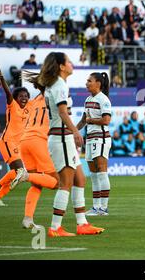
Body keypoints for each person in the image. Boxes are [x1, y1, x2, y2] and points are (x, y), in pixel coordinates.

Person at [28, 52, 105, 236]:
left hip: (63, 137)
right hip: (61, 137)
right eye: (69, 61)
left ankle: (82, 224)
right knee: (66, 183)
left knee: (80, 179)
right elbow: (63, 113)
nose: (72, 64)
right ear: (62, 66)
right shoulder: (59, 85)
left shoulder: (55, 84)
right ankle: (55, 227)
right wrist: (76, 132)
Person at [0, 68, 56, 208]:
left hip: (19, 144)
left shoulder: (30, 106)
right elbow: (8, 94)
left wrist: (42, 81)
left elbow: (41, 95)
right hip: (8, 141)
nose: (24, 98)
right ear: (16, 98)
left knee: (17, 173)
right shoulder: (12, 106)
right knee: (20, 172)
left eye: (26, 95)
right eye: (21, 96)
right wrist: (2, 80)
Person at [17, 78, 60, 228]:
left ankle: (27, 219)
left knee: (36, 184)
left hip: (24, 141)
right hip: (38, 140)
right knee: (57, 182)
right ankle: (25, 175)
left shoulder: (35, 100)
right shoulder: (53, 97)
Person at [75, 72, 112, 216]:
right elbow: (84, 120)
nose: (87, 83)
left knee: (102, 172)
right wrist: (72, 131)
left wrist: (91, 121)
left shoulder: (104, 100)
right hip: (90, 138)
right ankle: (96, 207)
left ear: (98, 83)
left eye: (89, 81)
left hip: (101, 138)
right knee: (94, 174)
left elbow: (106, 120)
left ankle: (104, 207)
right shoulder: (88, 99)